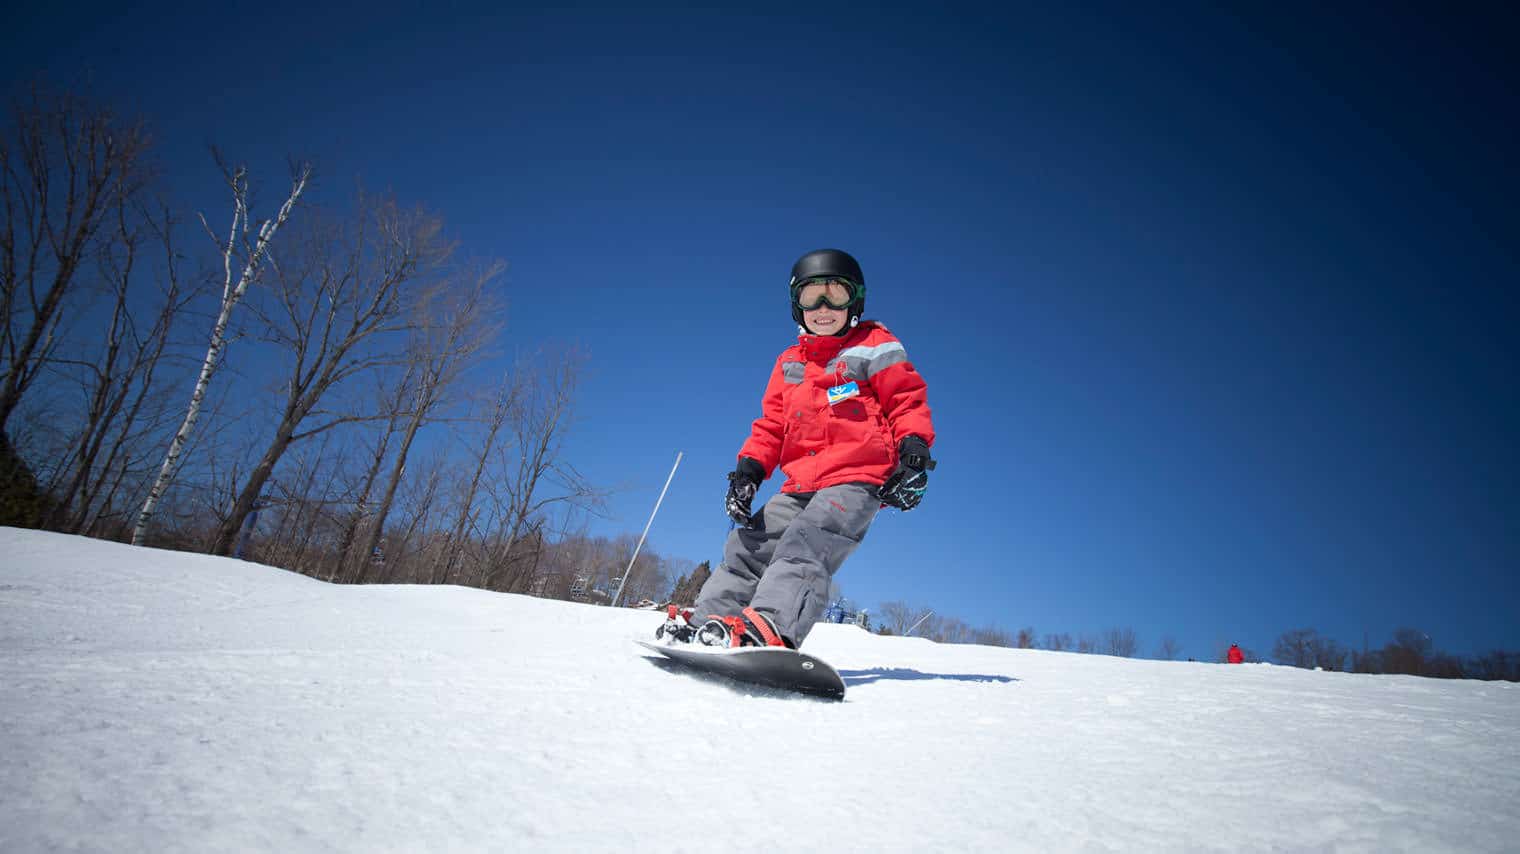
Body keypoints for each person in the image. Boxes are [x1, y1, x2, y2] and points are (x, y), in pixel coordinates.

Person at [658, 248, 936, 649]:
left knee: (806, 542)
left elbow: (906, 400)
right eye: (811, 298)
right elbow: (772, 424)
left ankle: (771, 627)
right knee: (750, 543)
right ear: (796, 305)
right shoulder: (790, 362)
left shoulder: (875, 345)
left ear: (854, 301)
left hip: (858, 477)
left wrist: (913, 451)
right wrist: (748, 472)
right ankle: (712, 621)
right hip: (800, 481)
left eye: (835, 296)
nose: (823, 308)